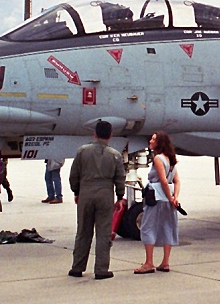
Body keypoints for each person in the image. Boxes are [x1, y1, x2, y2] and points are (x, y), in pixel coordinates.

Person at [68, 120, 126, 280]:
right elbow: (120, 178)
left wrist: (77, 191)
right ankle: (101, 269)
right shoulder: (115, 155)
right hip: (105, 194)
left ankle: (77, 267)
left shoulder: (82, 152)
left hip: (86, 193)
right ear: (110, 135)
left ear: (94, 134)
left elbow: (74, 175)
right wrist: (120, 197)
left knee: (83, 232)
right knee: (103, 233)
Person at [135, 131, 181, 274]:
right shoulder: (171, 160)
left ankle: (149, 262)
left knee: (148, 227)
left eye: (153, 139)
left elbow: (162, 180)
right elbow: (176, 180)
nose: (150, 141)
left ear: (159, 143)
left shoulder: (158, 159)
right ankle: (165, 262)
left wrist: (168, 197)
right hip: (170, 198)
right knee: (168, 227)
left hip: (156, 198)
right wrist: (175, 198)